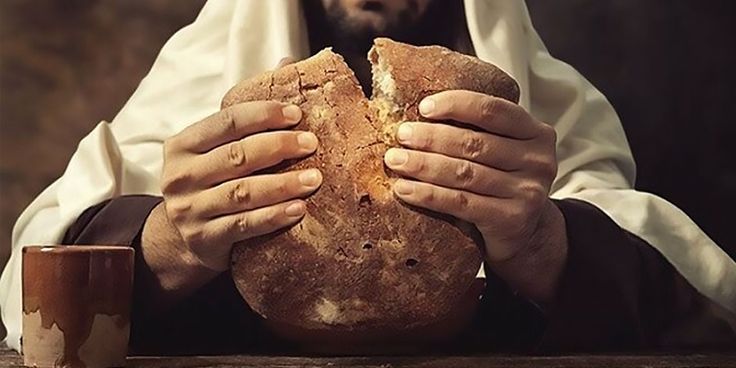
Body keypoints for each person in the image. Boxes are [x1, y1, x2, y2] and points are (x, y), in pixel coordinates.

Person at [2, 0, 735, 353]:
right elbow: (40, 278)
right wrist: (170, 242)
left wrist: (544, 241)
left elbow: (697, 304)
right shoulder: (202, 76)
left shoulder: (546, 109)